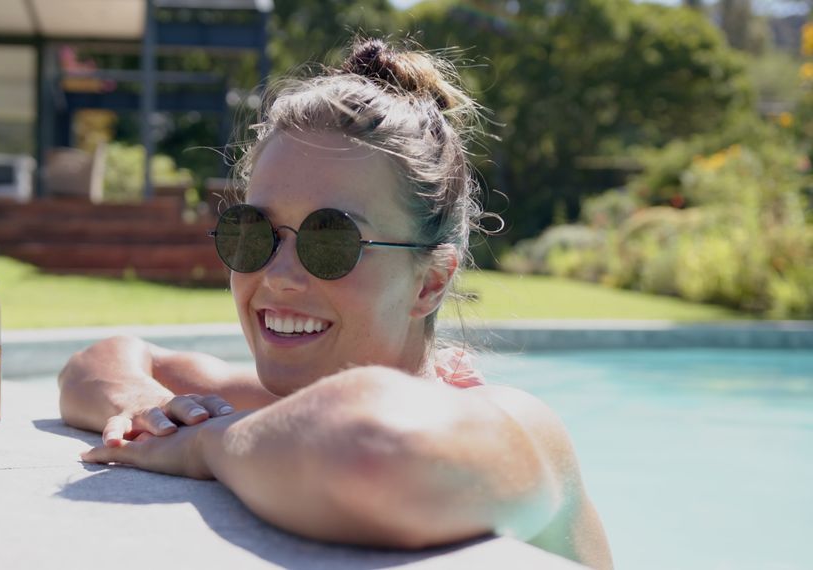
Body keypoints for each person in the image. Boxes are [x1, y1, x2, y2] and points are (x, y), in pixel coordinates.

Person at [58, 38, 612, 569]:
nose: (278, 275)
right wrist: (146, 408)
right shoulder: (283, 409)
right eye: (254, 231)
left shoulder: (517, 431)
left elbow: (371, 452)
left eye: (331, 240)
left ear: (431, 282)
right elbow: (102, 361)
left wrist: (203, 444)